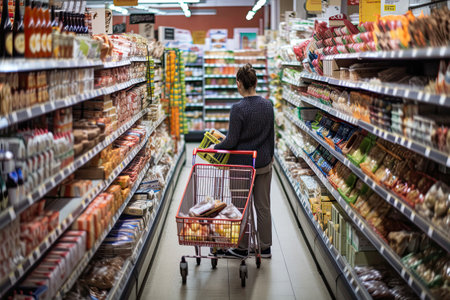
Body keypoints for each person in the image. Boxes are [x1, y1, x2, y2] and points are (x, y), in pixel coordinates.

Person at [213, 63, 274, 258]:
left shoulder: (237, 109)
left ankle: (242, 246)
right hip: (263, 163)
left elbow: (231, 141)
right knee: (263, 206)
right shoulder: (268, 105)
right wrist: (269, 156)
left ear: (239, 84)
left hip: (241, 165)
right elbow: (271, 136)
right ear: (256, 82)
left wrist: (215, 147)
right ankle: (265, 247)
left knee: (241, 206)